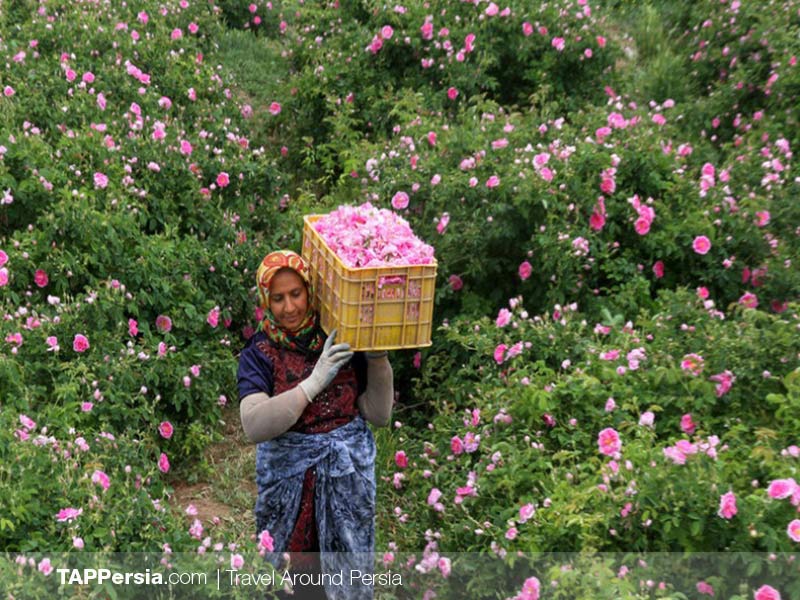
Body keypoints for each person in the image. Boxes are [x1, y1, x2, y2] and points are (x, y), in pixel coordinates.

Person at [237, 250, 394, 600]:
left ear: (311, 291)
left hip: (345, 482)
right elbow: (253, 424)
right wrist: (313, 382)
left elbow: (378, 414)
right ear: (266, 300)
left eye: (296, 294)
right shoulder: (260, 352)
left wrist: (378, 355)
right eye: (277, 298)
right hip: (290, 488)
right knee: (292, 581)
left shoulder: (339, 338)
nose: (289, 307)